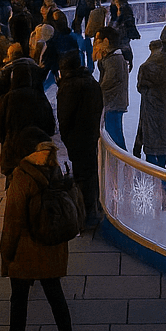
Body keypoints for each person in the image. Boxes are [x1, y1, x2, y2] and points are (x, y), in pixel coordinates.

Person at [0, 132, 79, 331]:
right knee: (55, 294)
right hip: (52, 247)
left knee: (19, 297)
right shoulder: (54, 167)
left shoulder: (22, 177)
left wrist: (7, 255)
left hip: (26, 250)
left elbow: (12, 221)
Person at [133, 39, 166, 207]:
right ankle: (163, 187)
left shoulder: (145, 66)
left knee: (149, 146)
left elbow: (140, 88)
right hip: (164, 109)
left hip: (148, 111)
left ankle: (150, 191)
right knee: (163, 144)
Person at [56, 52, 104, 229]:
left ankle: (85, 215)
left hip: (77, 138)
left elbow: (64, 117)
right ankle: (92, 210)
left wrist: (66, 137)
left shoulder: (69, 86)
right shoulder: (91, 82)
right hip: (90, 135)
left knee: (82, 176)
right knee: (90, 173)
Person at [0, 66, 56, 187]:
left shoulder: (6, 99)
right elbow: (50, 127)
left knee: (14, 188)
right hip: (36, 152)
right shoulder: (39, 98)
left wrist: (4, 139)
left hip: (12, 151)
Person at [94, 26, 132, 149]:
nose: (95, 44)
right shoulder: (111, 58)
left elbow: (107, 83)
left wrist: (94, 92)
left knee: (115, 140)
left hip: (113, 104)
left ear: (106, 41)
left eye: (98, 41)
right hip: (113, 103)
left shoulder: (114, 60)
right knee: (113, 137)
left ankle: (125, 164)